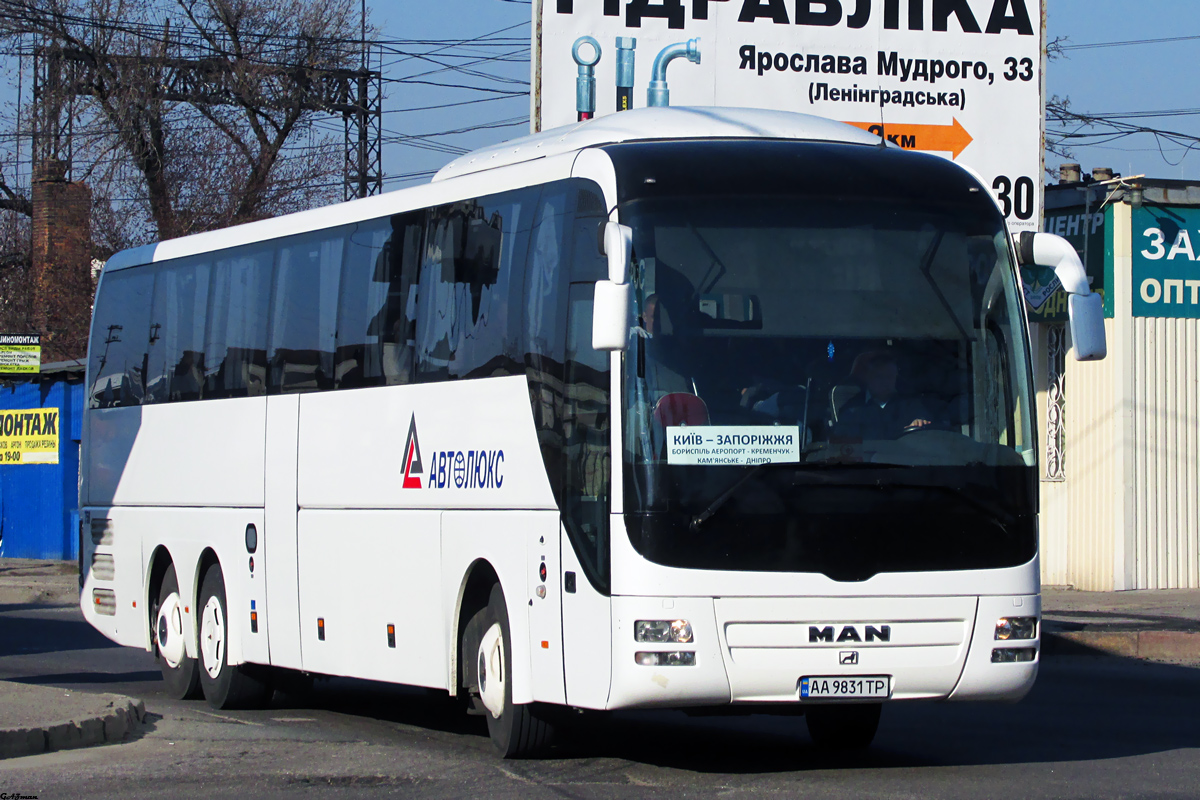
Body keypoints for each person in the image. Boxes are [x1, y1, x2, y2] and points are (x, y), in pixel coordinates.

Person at [833, 349, 932, 440]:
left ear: (896, 377)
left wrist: (920, 421)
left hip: (903, 457)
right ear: (868, 377)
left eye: (889, 377)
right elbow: (841, 442)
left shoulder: (910, 404)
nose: (885, 382)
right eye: (879, 377)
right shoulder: (852, 409)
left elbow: (925, 421)